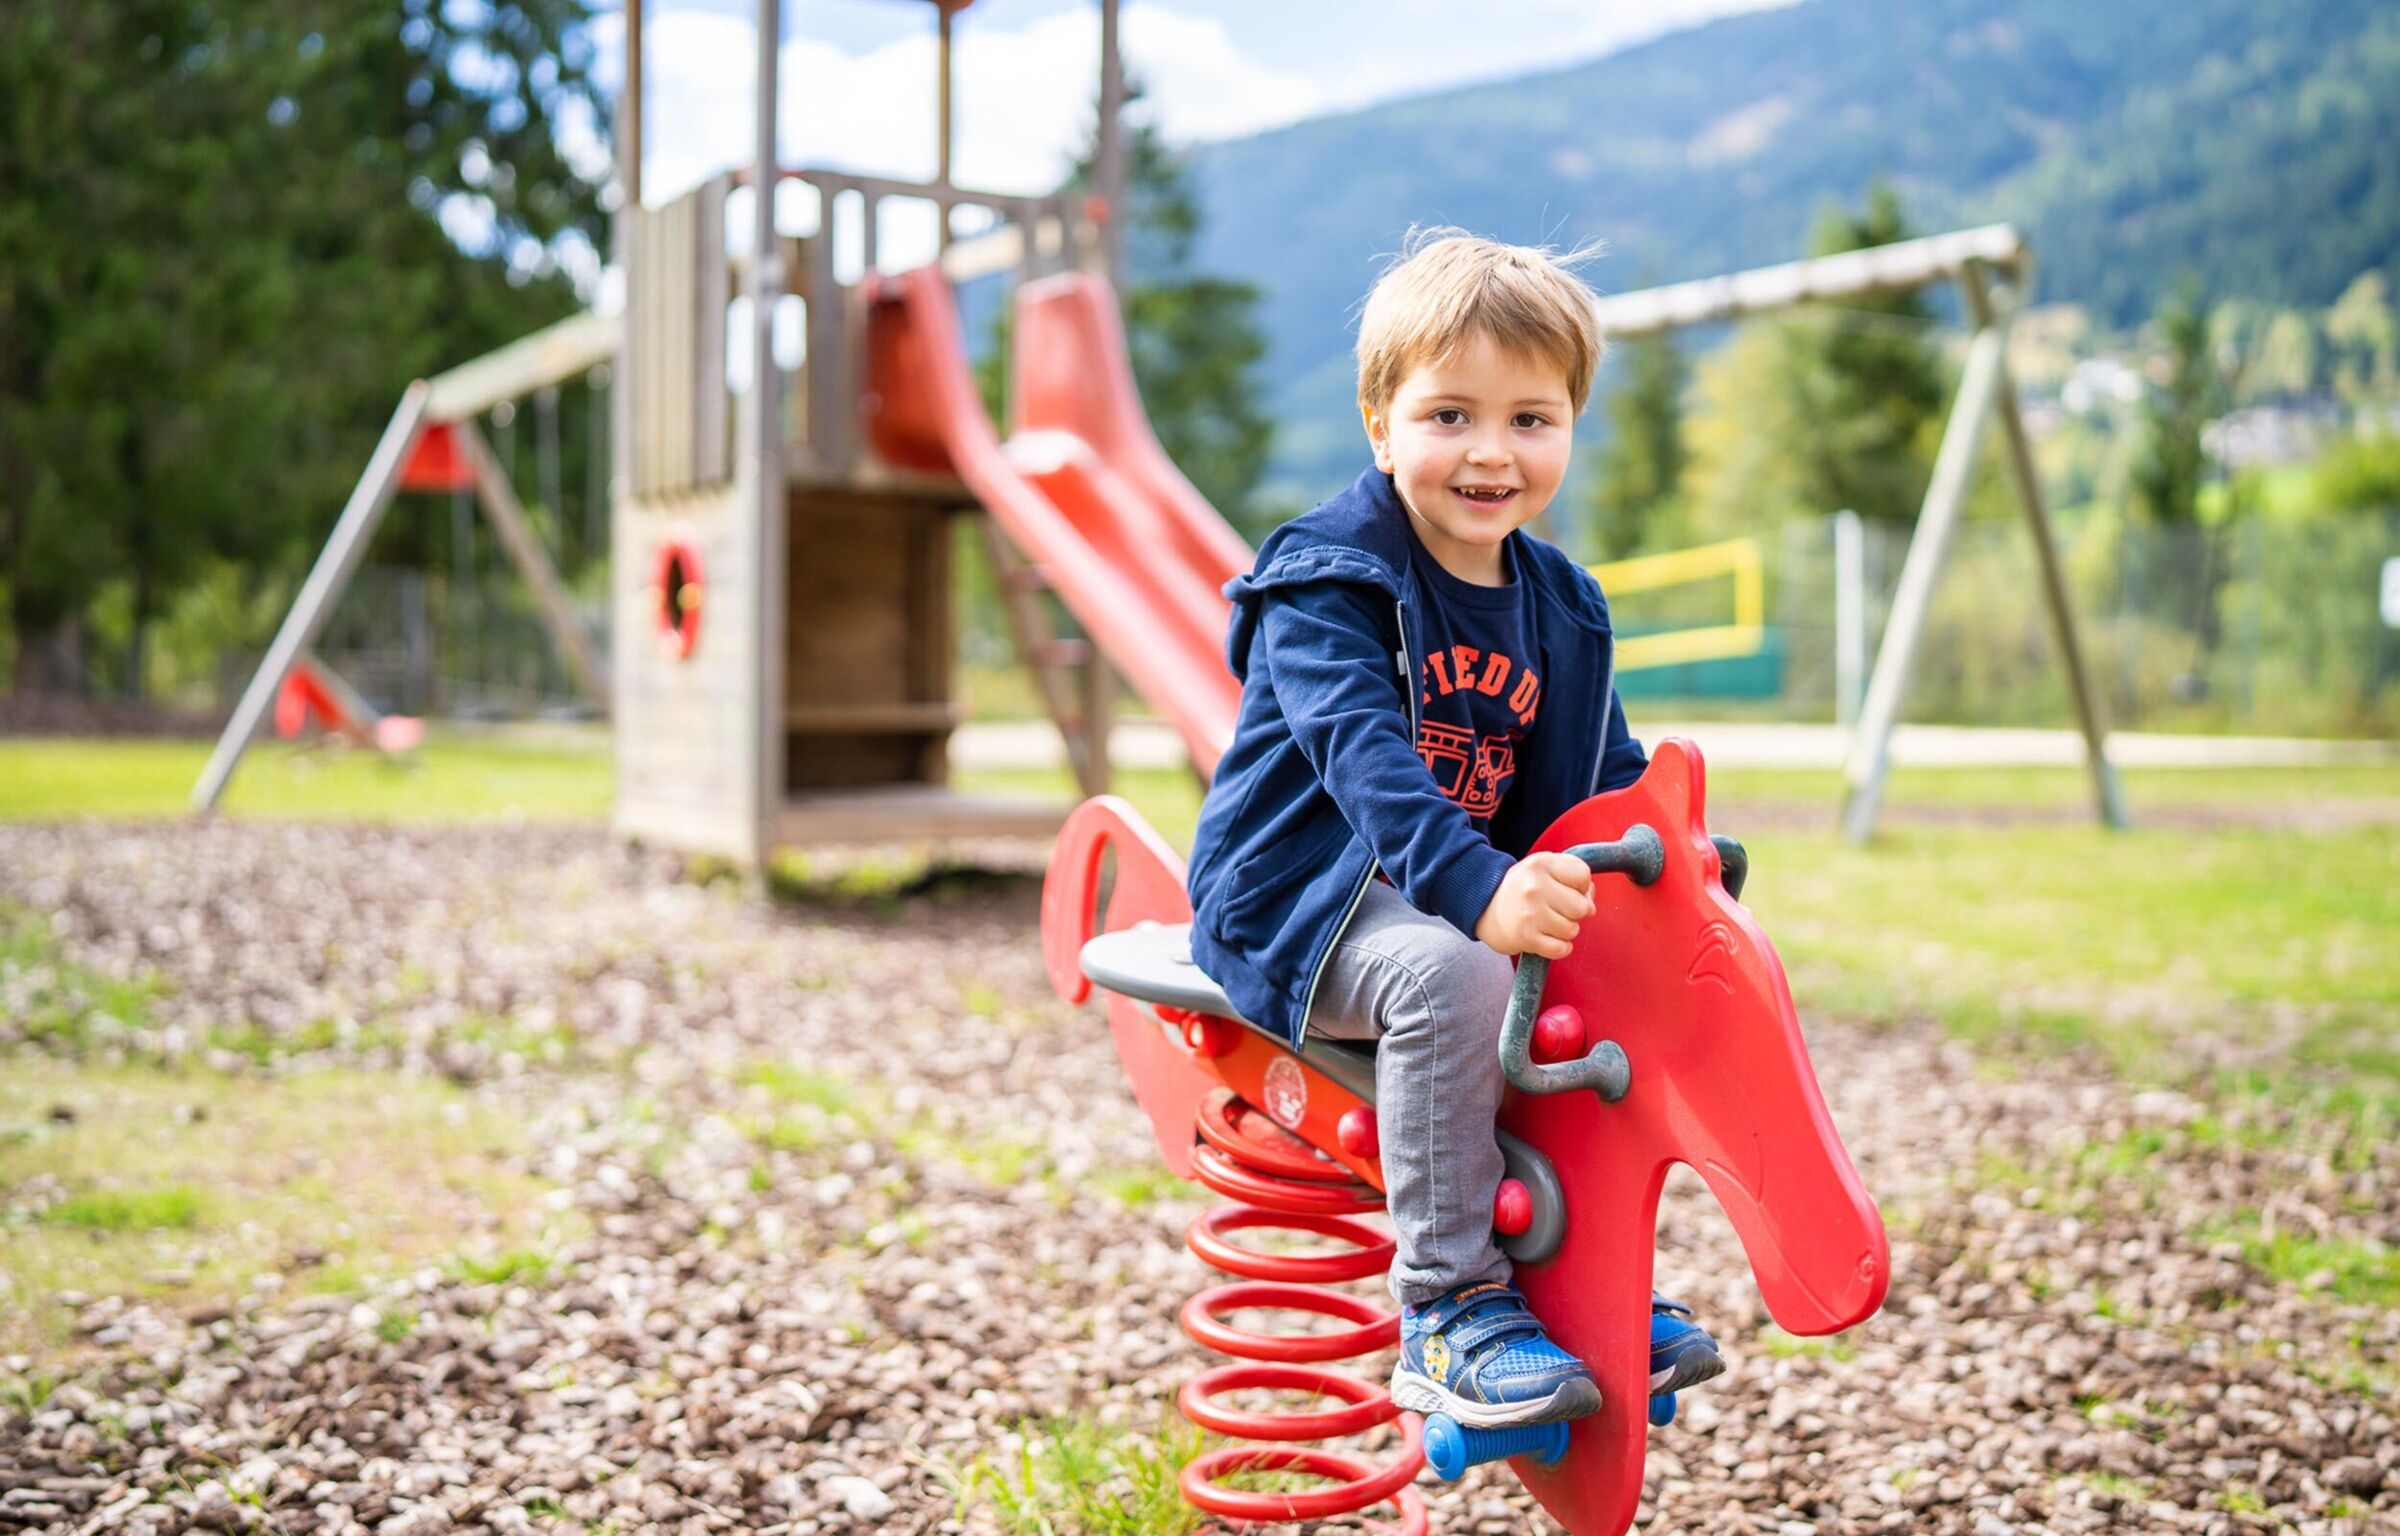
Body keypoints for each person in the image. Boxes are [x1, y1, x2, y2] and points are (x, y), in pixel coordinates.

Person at [1186, 231, 1724, 1429]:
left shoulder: (1564, 608)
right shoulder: (1332, 580)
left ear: (1570, 427)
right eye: (1449, 416)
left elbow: (1605, 776)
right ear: (1382, 424)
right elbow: (1365, 767)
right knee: (1453, 974)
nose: (1491, 451)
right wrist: (1479, 889)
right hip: (1298, 897)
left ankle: (1583, 1278)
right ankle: (1447, 1307)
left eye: (1531, 419)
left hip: (1445, 885)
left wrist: (1672, 862)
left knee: (1596, 984)